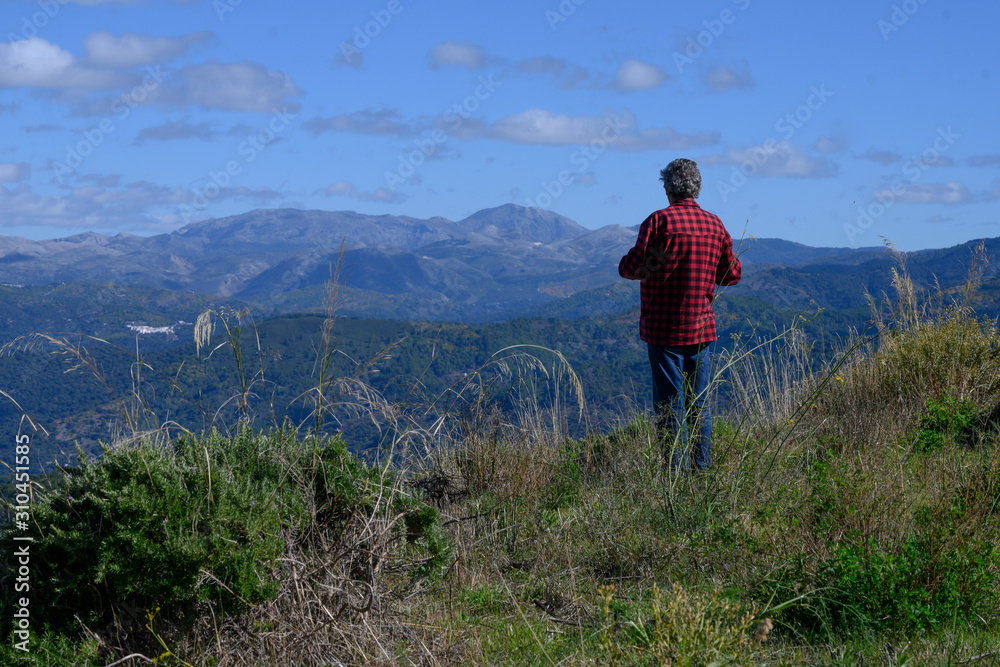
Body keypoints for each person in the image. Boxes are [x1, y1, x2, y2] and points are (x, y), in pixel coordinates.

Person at [618, 158, 742, 472]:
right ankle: (701, 471)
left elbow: (630, 269)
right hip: (702, 330)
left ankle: (675, 477)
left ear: (668, 188)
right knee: (699, 403)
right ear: (697, 187)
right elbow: (732, 274)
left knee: (669, 407)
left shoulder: (658, 223)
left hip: (664, 332)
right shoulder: (715, 225)